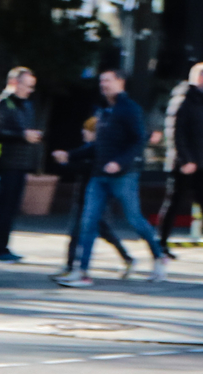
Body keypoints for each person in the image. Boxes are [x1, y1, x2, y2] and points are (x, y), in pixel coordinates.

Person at [54, 69, 173, 288]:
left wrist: (119, 162)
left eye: (108, 80)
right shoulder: (104, 110)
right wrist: (70, 155)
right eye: (101, 81)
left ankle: (158, 256)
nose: (104, 84)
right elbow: (97, 146)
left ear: (121, 82)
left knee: (135, 219)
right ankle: (82, 272)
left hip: (124, 176)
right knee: (88, 222)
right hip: (99, 176)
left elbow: (138, 141)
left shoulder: (129, 109)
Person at [156, 62, 203, 253]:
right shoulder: (183, 99)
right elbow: (175, 132)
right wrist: (185, 159)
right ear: (199, 79)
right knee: (174, 203)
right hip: (185, 162)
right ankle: (161, 243)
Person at [54, 113, 139, 278]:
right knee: (104, 231)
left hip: (91, 198)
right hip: (87, 197)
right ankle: (127, 258)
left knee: (77, 232)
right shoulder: (92, 149)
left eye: (87, 130)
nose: (83, 133)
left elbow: (84, 168)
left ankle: (71, 266)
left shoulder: (97, 150)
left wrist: (65, 163)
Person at [0, 67, 45, 262]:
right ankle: (0, 249)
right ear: (15, 83)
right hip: (6, 163)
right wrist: (23, 136)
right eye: (27, 86)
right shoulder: (1, 103)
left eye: (32, 87)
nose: (30, 90)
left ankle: (5, 246)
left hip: (21, 163)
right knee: (4, 207)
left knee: (12, 208)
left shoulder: (26, 105)